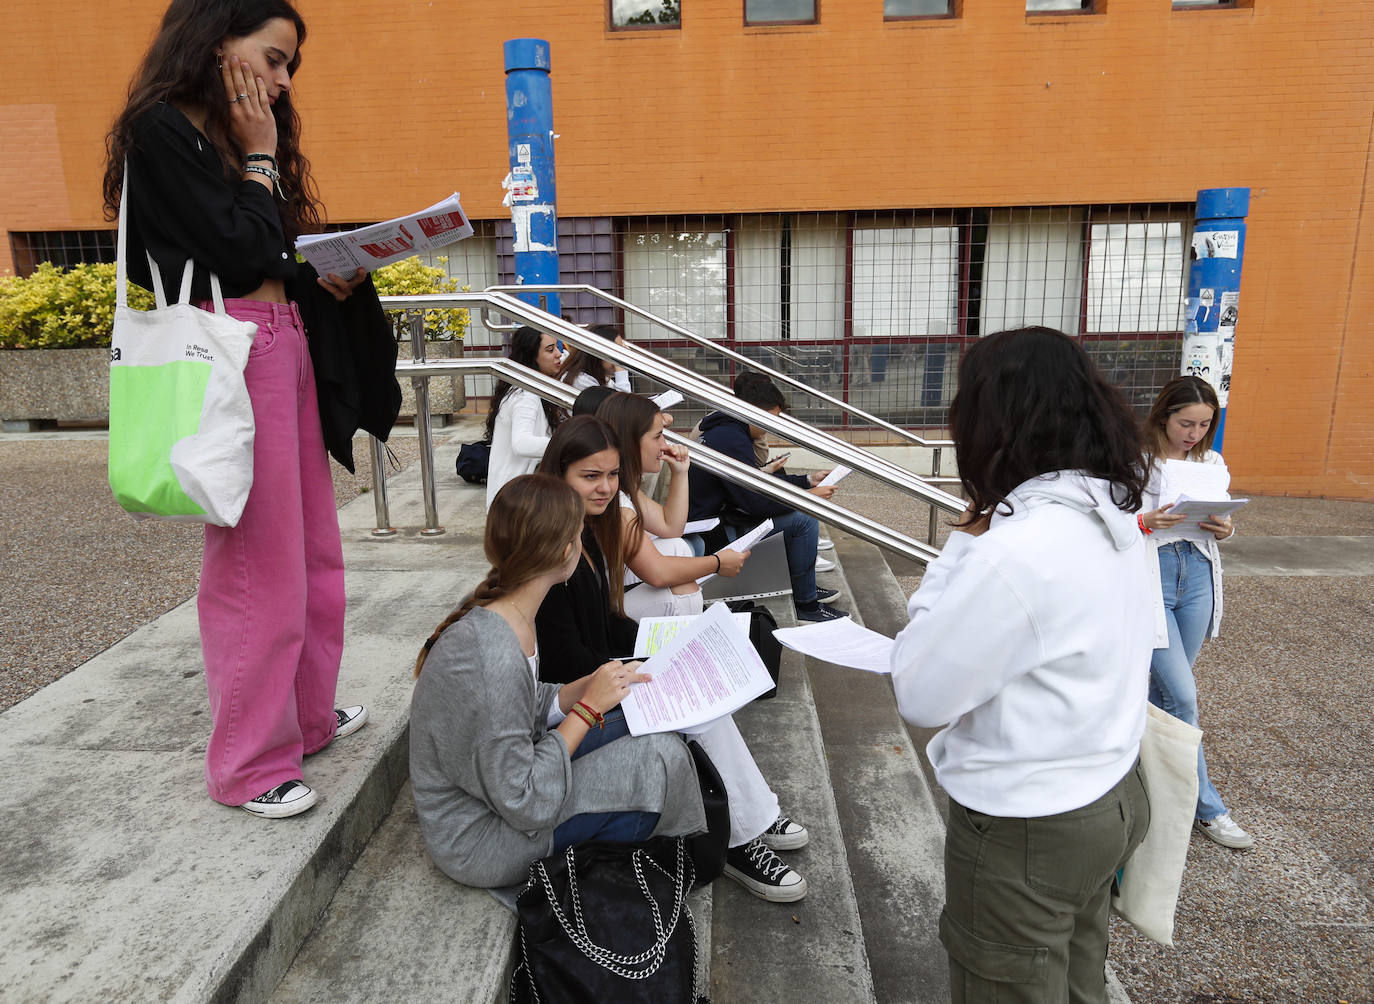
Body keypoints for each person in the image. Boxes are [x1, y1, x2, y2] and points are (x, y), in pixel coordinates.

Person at [103, 0, 399, 817]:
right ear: (213, 42)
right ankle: (246, 763)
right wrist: (263, 157)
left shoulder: (225, 141)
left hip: (282, 338)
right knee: (254, 565)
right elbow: (236, 252)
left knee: (313, 552)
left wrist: (323, 272)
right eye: (271, 58)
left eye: (288, 66)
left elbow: (263, 254)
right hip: (229, 350)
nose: (280, 79)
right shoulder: (161, 131)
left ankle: (303, 719)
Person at [891, 327, 1153, 1004]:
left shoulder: (1016, 551)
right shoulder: (1121, 510)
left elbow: (920, 690)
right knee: (1077, 977)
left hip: (1029, 824)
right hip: (1111, 788)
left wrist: (960, 549)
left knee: (1007, 985)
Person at [535, 417, 809, 903]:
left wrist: (668, 644)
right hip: (572, 708)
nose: (605, 488)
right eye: (590, 476)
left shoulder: (588, 532)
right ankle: (743, 836)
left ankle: (752, 818)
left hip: (600, 680)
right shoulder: (551, 546)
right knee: (698, 708)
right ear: (559, 474)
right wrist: (644, 665)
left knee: (702, 686)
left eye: (612, 476)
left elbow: (608, 621)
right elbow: (565, 658)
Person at [410, 474, 707, 889]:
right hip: (481, 840)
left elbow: (520, 706)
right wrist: (587, 709)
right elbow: (524, 800)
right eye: (579, 535)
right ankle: (669, 857)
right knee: (660, 756)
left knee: (653, 718)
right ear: (568, 550)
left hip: (500, 796)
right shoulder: (491, 652)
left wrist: (580, 689)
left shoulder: (508, 615)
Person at [1138, 375, 1253, 850]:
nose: (1194, 433)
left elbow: (1218, 521)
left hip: (1198, 575)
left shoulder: (1210, 461)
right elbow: (1102, 521)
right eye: (1186, 423)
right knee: (1181, 697)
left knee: (1162, 693)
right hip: (1152, 575)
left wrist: (1223, 529)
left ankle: (1151, 792)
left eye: (1204, 425)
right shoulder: (1133, 460)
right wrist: (1144, 520)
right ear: (1163, 415)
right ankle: (1208, 809)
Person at [687, 373, 844, 622]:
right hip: (712, 535)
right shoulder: (730, 438)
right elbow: (756, 503)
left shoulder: (727, 429)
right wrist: (810, 497)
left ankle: (806, 589)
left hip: (720, 520)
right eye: (771, 419)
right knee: (804, 519)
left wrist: (806, 482)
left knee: (798, 513)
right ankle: (807, 605)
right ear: (752, 411)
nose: (774, 426)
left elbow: (757, 486)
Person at [597, 392, 748, 621]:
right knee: (682, 590)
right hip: (595, 609)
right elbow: (657, 573)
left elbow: (671, 527)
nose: (665, 445)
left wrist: (680, 472)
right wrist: (717, 563)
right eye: (658, 436)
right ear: (630, 441)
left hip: (606, 588)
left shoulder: (621, 487)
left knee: (677, 546)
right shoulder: (614, 501)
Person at [484, 325, 564, 509]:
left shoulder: (528, 386)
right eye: (550, 350)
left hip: (519, 493)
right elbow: (521, 443)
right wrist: (568, 444)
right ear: (531, 357)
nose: (559, 354)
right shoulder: (525, 395)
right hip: (516, 501)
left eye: (558, 347)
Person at [560, 323, 633, 393]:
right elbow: (620, 404)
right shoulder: (581, 381)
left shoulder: (603, 378)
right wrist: (621, 374)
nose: (621, 356)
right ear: (598, 353)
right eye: (617, 352)